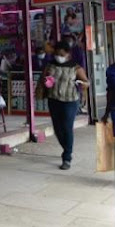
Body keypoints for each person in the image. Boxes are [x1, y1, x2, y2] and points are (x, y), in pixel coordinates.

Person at [36, 40, 90, 170]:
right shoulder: (50, 65)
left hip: (70, 101)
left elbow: (86, 82)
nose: (58, 56)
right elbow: (43, 80)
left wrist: (82, 85)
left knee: (66, 127)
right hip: (54, 99)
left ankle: (67, 157)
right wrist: (45, 82)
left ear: (67, 54)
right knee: (57, 128)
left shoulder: (75, 67)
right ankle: (67, 148)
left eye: (61, 54)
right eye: (56, 54)